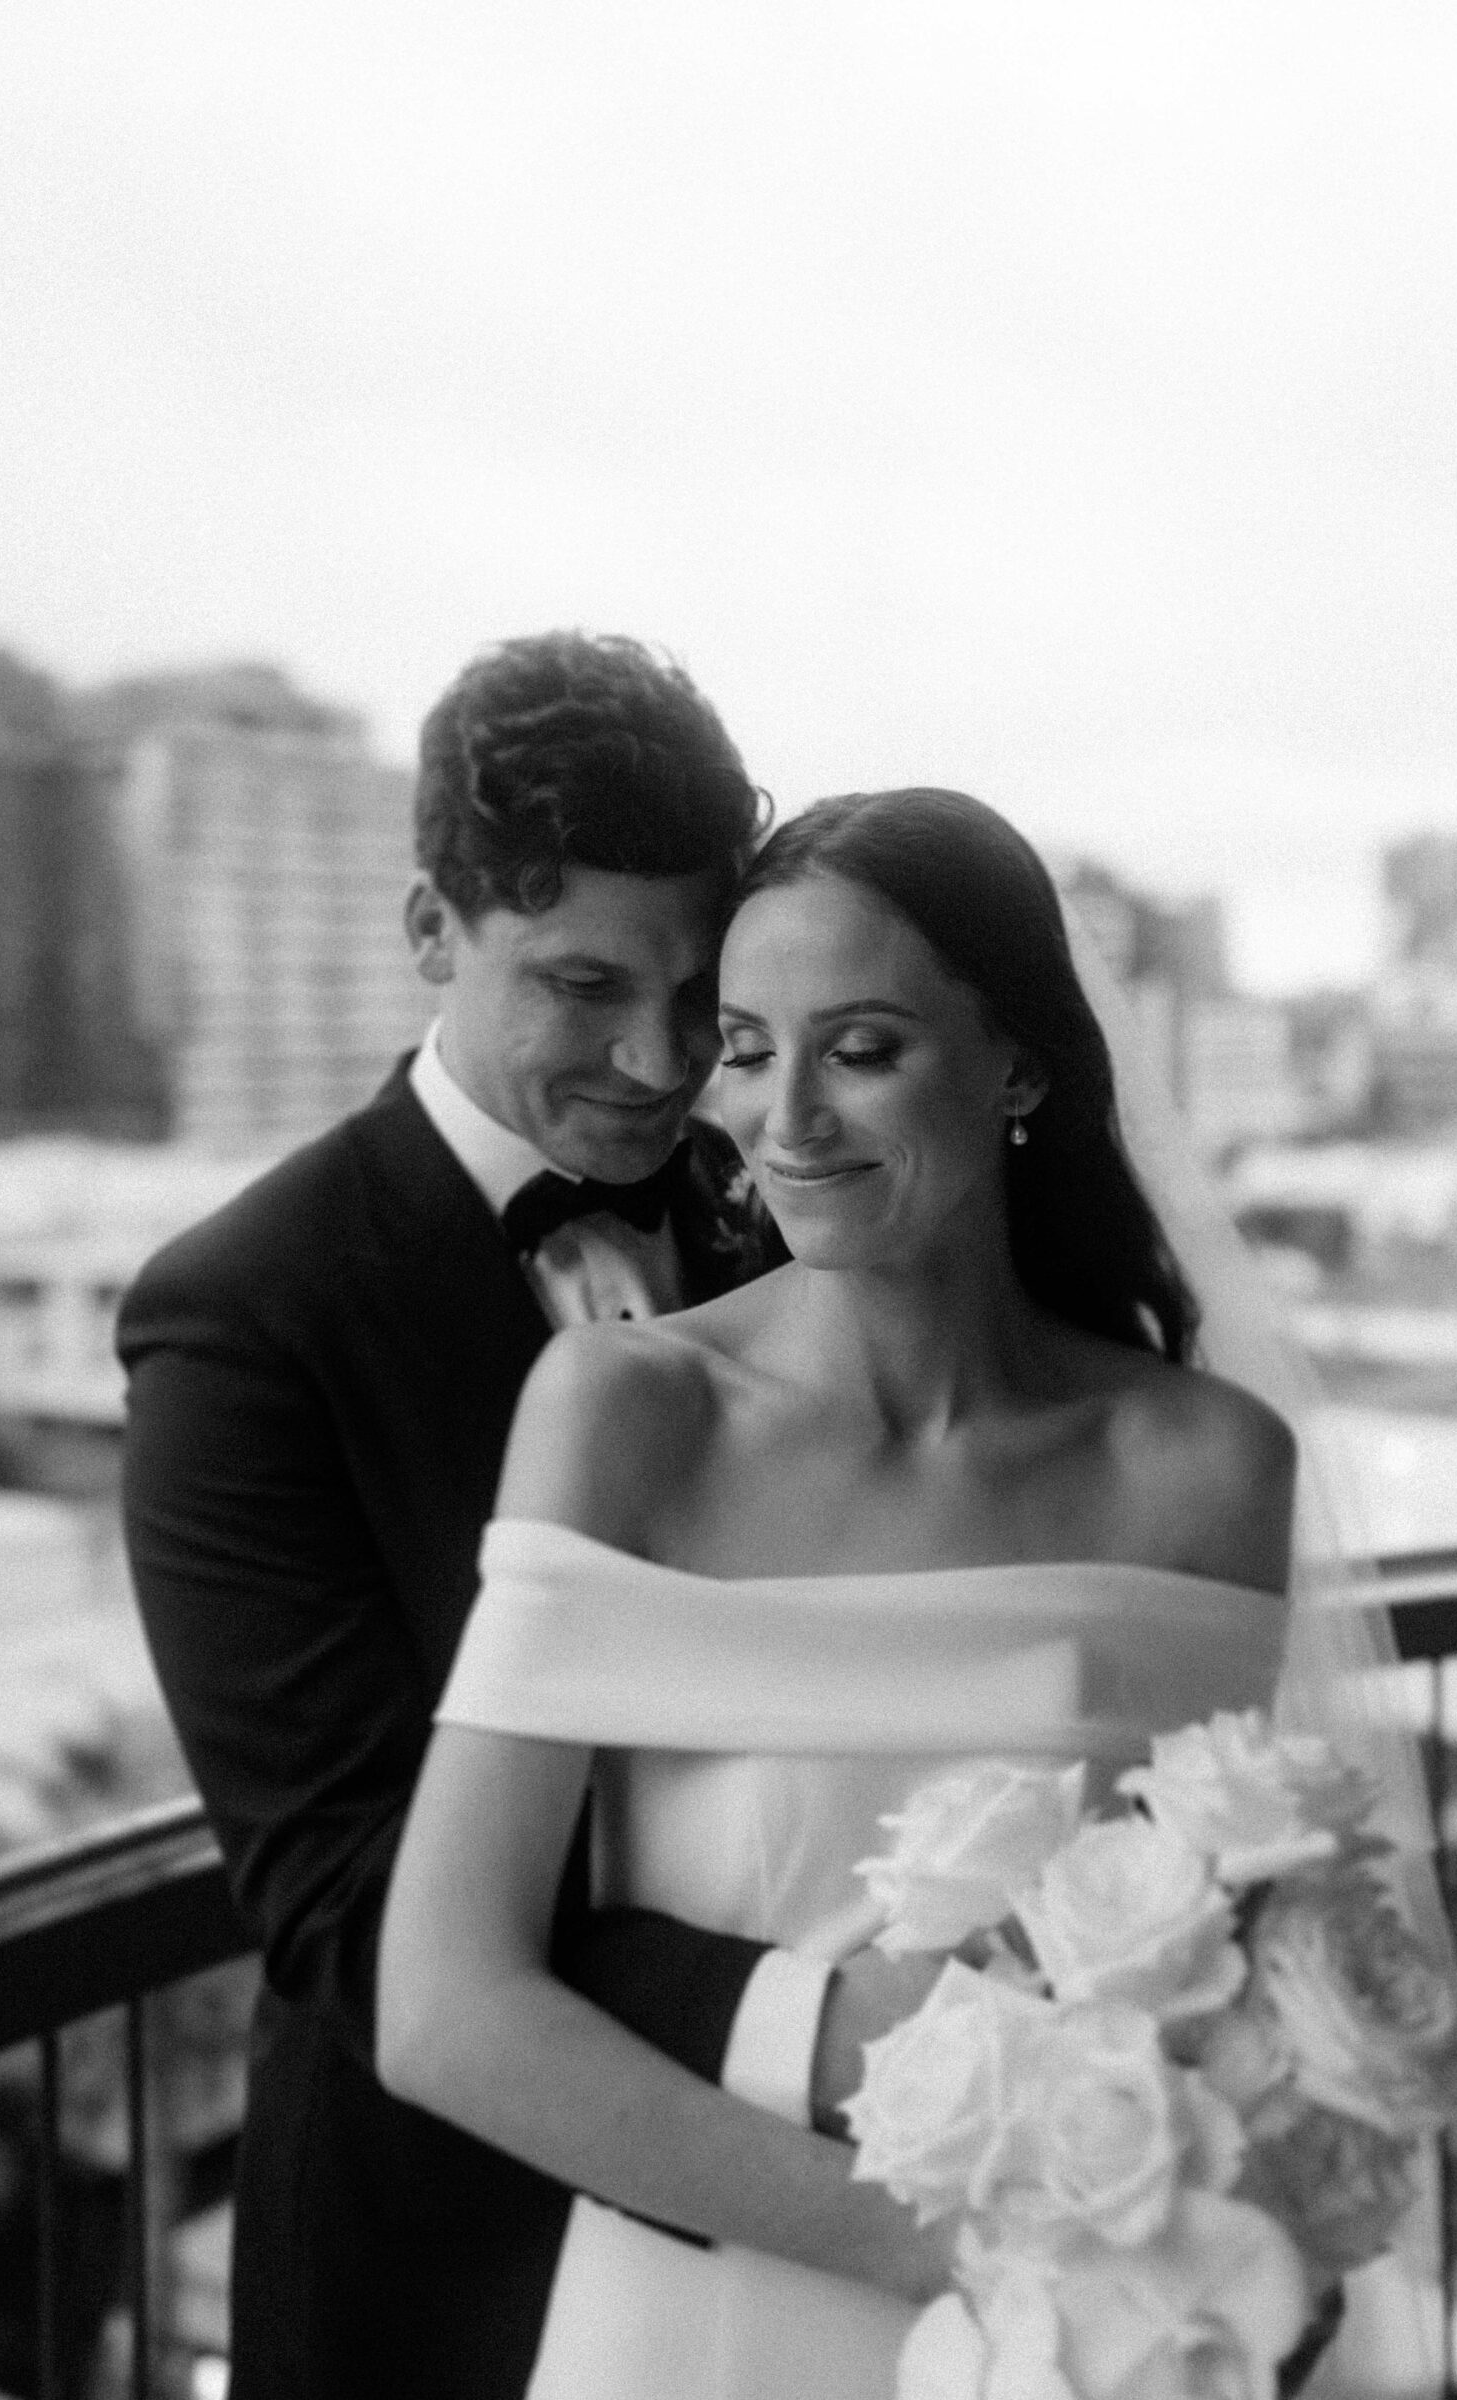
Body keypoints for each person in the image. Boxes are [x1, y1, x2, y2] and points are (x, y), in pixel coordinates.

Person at [378, 786, 1309, 2399]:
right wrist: (947, 2257)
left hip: (1103, 2331)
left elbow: (1229, 1966)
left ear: (1018, 1065)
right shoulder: (625, 1415)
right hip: (707, 2322)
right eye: (746, 1045)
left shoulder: (1208, 1470)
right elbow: (446, 2010)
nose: (783, 1114)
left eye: (862, 1048)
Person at [118, 638, 939, 2400]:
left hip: (818, 2285)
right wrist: (836, 2032)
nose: (659, 1064)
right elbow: (347, 1902)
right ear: (432, 932)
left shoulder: (782, 1202)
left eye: (691, 990)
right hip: (453, 2257)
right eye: (580, 986)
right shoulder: (242, 1318)